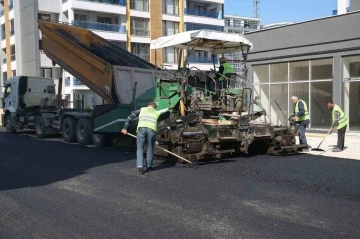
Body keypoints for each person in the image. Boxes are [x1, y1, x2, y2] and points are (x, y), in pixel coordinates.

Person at [121, 102, 160, 175]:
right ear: (154, 107)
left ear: (148, 106)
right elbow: (156, 124)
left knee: (140, 148)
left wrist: (125, 128)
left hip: (141, 129)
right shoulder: (157, 112)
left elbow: (130, 117)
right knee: (150, 148)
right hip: (152, 130)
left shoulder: (142, 109)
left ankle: (140, 168)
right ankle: (149, 167)